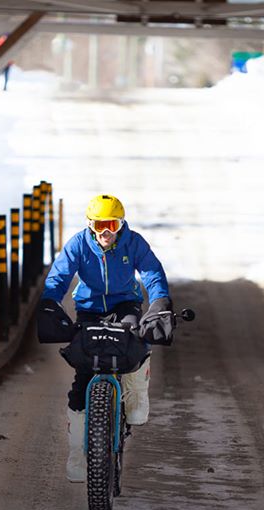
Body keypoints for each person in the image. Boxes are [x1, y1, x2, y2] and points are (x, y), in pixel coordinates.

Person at [39, 194, 174, 482]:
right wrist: (51, 301)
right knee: (84, 376)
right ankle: (77, 452)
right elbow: (59, 276)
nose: (105, 232)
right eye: (99, 225)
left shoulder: (133, 242)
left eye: (112, 224)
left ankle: (136, 392)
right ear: (90, 224)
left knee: (136, 337)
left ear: (121, 224)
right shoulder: (78, 244)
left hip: (125, 304)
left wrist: (159, 302)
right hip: (89, 310)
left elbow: (152, 273)